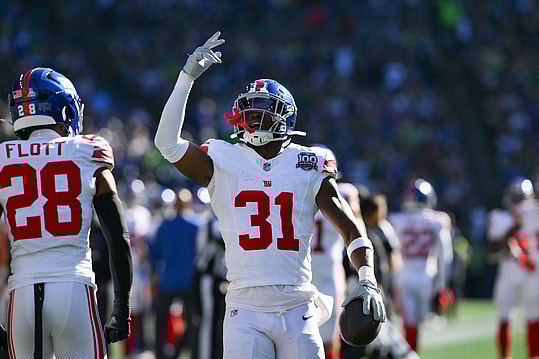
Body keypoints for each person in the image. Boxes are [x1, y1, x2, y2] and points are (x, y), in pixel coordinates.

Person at [154, 31, 386, 358]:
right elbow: (167, 144)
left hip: (297, 303)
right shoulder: (222, 158)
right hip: (244, 306)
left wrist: (367, 277)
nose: (252, 118)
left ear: (284, 116)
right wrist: (185, 80)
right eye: (248, 110)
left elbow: (350, 229)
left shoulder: (309, 162)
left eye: (262, 109)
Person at [0, 67, 132, 358]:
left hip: (21, 295)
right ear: (64, 107)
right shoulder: (87, 150)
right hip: (72, 288)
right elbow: (118, 238)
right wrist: (122, 307)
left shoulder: (3, 157)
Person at [388, 178, 453, 352]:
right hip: (427, 276)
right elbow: (446, 256)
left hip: (403, 275)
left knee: (406, 323)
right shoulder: (438, 220)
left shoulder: (396, 219)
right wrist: (442, 285)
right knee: (417, 325)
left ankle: (408, 355)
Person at [488, 177, 539, 359]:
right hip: (508, 274)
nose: (518, 203)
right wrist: (513, 228)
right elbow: (492, 250)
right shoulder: (500, 218)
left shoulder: (535, 215)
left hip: (531, 275)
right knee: (504, 318)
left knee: (534, 318)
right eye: (515, 198)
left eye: (520, 198)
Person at [151, 188, 200, 359]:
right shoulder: (196, 225)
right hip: (189, 279)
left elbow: (154, 255)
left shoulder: (164, 226)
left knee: (161, 321)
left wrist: (154, 276)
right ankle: (190, 351)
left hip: (168, 279)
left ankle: (161, 354)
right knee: (192, 321)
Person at [311, 180, 355, 359]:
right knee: (330, 341)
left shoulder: (293, 193)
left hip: (301, 272)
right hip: (329, 273)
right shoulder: (343, 193)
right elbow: (354, 229)